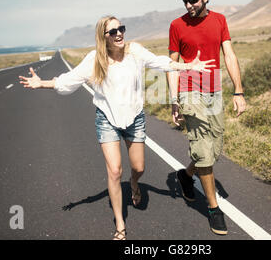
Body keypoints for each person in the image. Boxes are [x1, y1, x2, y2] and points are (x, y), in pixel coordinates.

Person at [19, 15, 214, 240]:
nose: (119, 33)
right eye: (113, 31)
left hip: (134, 118)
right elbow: (69, 80)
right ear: (104, 37)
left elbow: (161, 62)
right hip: (107, 119)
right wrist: (42, 83)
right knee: (114, 171)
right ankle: (120, 224)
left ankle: (133, 182)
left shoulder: (135, 52)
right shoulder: (95, 59)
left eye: (121, 28)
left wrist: (189, 65)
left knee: (139, 168)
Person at [167, 0, 246, 235]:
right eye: (185, 0)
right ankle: (213, 209)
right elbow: (172, 64)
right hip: (190, 91)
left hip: (214, 90)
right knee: (202, 148)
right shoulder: (177, 25)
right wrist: (174, 99)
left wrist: (238, 90)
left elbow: (229, 54)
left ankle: (186, 176)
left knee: (213, 149)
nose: (189, 5)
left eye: (193, 0)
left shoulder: (220, 20)